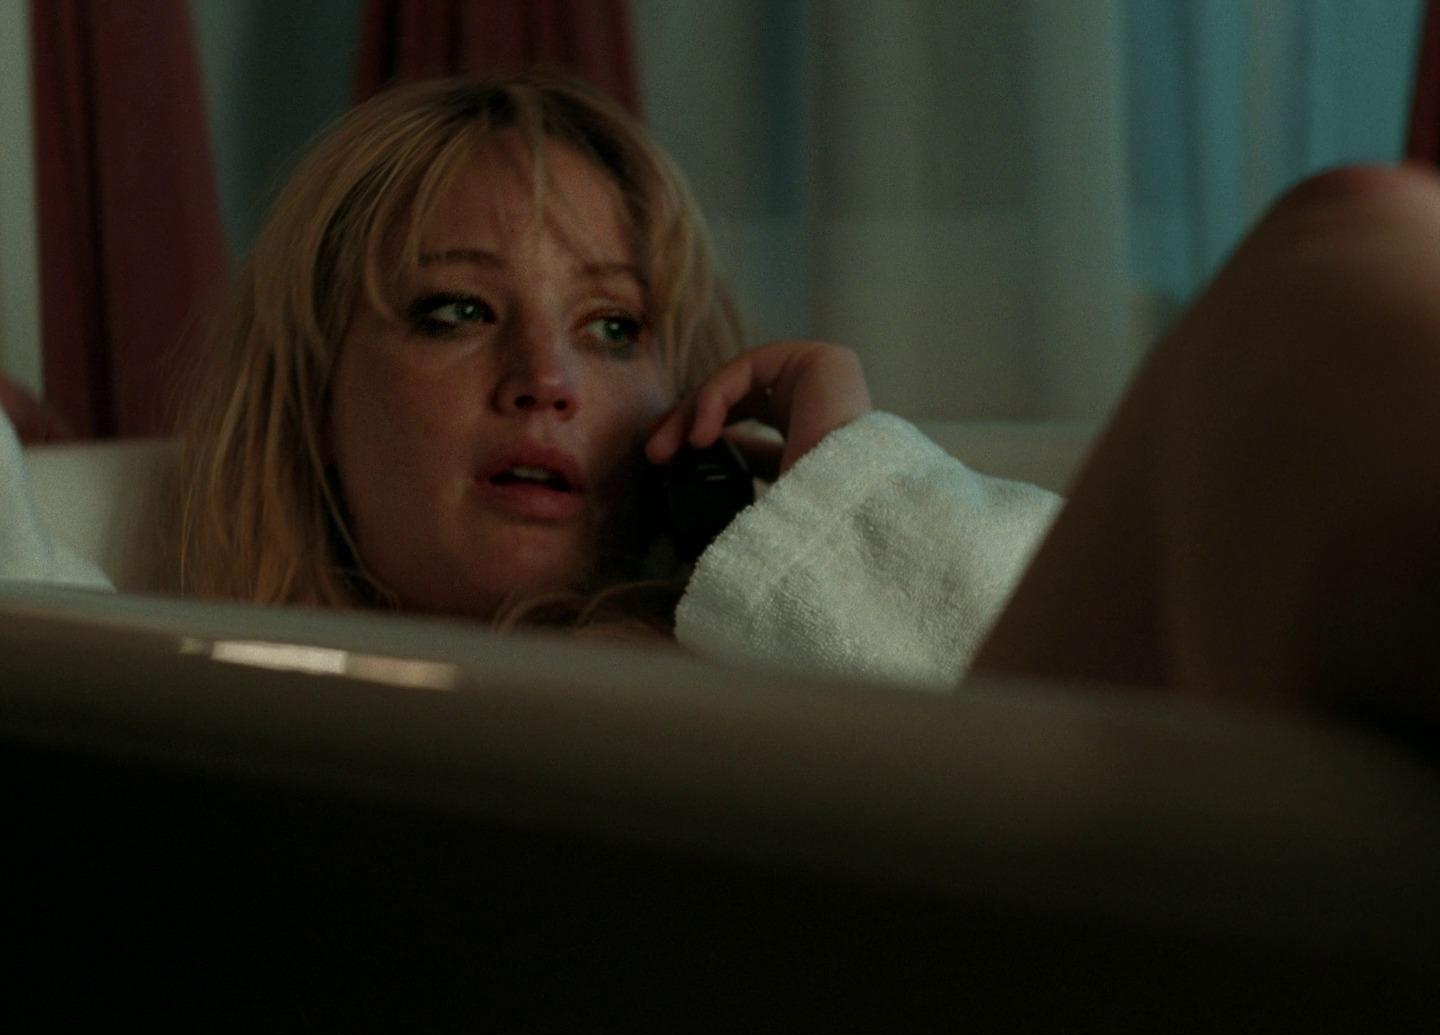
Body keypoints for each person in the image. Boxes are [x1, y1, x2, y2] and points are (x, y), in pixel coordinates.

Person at [2, 71, 1437, 749]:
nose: (547, 377)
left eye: (614, 326)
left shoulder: (759, 648)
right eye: (455, 310)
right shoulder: (183, 723)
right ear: (309, 400)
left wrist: (854, 493)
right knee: (1336, 253)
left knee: (1345, 246)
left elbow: (1087, 742)